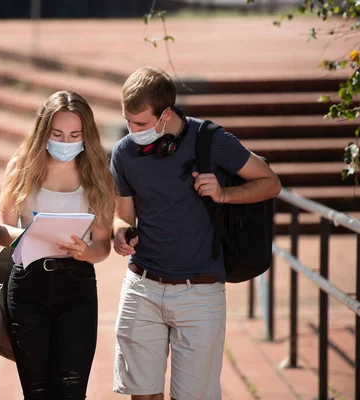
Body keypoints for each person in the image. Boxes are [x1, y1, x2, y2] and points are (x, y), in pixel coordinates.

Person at [110, 67, 281, 400]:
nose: (133, 131)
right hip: (142, 287)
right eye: (128, 122)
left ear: (167, 114)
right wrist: (120, 232)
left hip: (199, 293)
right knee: (141, 394)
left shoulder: (212, 141)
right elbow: (122, 214)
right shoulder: (124, 152)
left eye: (141, 124)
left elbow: (271, 183)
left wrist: (225, 194)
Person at [0, 91, 115, 399]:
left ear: (86, 135)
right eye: (58, 134)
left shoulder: (99, 174)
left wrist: (87, 253)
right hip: (26, 288)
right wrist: (25, 236)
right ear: (43, 132)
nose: (65, 143)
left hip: (77, 288)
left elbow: (103, 244)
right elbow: (2, 229)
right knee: (36, 393)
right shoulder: (21, 167)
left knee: (72, 392)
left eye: (75, 135)